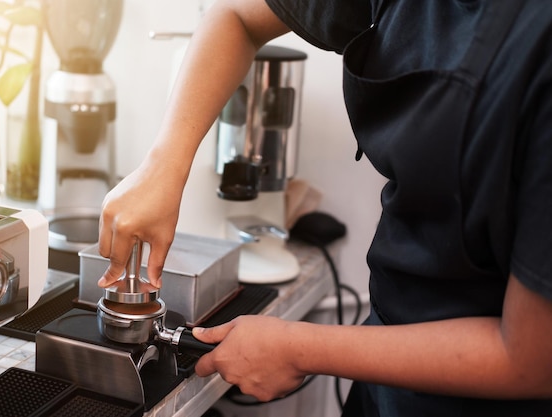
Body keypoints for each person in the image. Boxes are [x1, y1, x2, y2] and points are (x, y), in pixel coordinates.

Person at [97, 0, 552, 415]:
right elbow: (236, 15)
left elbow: (532, 358)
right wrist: (164, 165)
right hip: (383, 384)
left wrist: (302, 349)